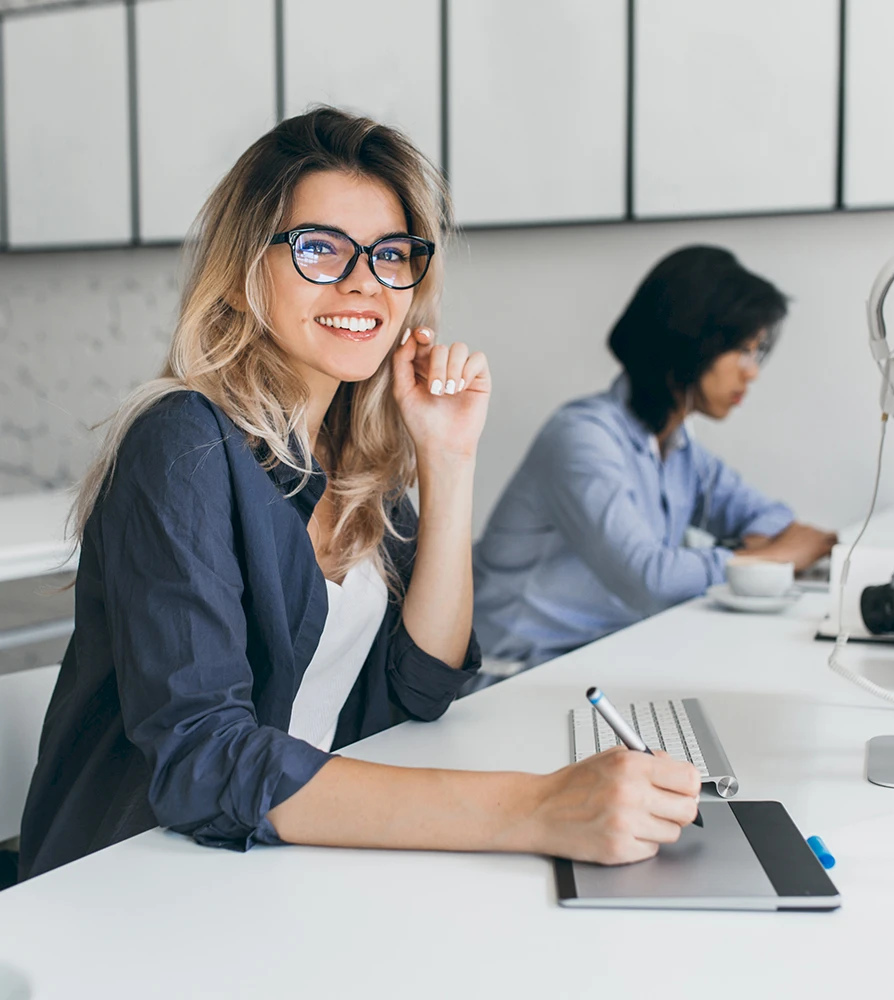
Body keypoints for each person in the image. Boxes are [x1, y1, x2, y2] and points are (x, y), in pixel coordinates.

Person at [18, 108, 700, 881]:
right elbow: (204, 760)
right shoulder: (184, 442)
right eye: (319, 249)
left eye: (390, 255)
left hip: (283, 859)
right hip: (138, 879)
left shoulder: (351, 449)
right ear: (242, 278)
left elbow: (422, 683)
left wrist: (448, 458)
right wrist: (535, 808)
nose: (362, 283)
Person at [473, 245, 837, 670]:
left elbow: (771, 518)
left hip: (598, 658)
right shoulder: (582, 438)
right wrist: (775, 559)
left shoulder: (678, 448)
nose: (751, 371)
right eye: (741, 349)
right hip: (512, 674)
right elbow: (653, 580)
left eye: (756, 353)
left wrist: (770, 548)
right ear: (690, 342)